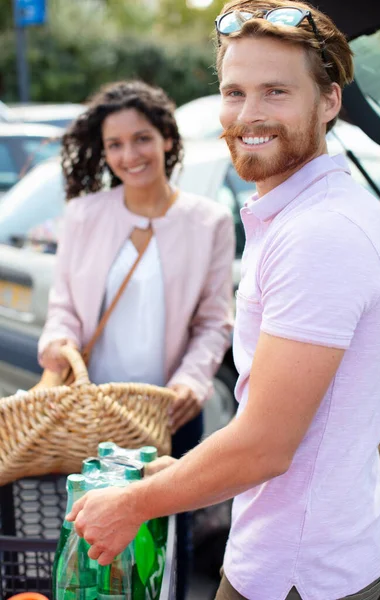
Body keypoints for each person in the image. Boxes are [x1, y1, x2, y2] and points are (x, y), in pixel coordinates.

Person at [66, 3, 380, 599]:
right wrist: (181, 476)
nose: (249, 115)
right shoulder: (313, 212)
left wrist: (134, 505)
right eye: (234, 92)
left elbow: (266, 446)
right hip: (325, 546)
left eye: (276, 92)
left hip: (295, 572)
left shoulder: (321, 233)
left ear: (329, 101)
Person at [37, 79, 235, 600]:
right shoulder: (84, 215)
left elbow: (215, 319)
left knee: (167, 543)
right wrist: (58, 346)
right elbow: (64, 310)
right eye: (115, 145)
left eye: (141, 138)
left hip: (169, 413)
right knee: (92, 548)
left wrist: (193, 381)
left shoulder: (208, 220)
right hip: (94, 413)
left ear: (167, 138)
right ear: (104, 153)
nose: (130, 154)